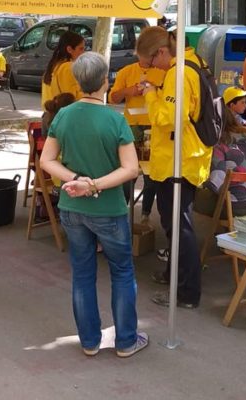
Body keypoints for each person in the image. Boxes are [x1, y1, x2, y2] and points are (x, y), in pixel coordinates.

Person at [39, 52, 147, 358]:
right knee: (122, 272)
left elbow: (46, 160)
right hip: (109, 208)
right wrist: (95, 184)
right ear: (105, 80)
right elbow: (131, 169)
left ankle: (89, 341)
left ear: (78, 81)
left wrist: (75, 179)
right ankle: (126, 341)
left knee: (82, 274)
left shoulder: (64, 115)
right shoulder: (115, 118)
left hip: (72, 208)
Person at [137, 27, 211, 309]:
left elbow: (167, 119)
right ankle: (174, 275)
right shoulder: (194, 63)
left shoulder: (177, 74)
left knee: (180, 227)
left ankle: (187, 292)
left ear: (162, 52)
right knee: (174, 223)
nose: (151, 67)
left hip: (177, 162)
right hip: (187, 157)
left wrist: (151, 93)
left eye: (150, 61)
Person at [109, 48, 167, 227]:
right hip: (132, 126)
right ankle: (121, 211)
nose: (149, 58)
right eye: (146, 53)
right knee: (128, 172)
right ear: (137, 52)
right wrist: (129, 90)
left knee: (151, 175)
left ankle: (145, 214)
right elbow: (113, 98)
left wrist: (153, 90)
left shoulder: (163, 71)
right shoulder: (126, 71)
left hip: (154, 126)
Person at [193, 98, 246, 218]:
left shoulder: (220, 142)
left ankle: (191, 233)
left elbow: (216, 183)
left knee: (187, 195)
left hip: (234, 206)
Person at [41, 31, 85, 107]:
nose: (83, 52)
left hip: (52, 113)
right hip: (65, 113)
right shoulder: (67, 67)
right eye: (80, 49)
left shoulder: (55, 65)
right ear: (69, 49)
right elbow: (71, 98)